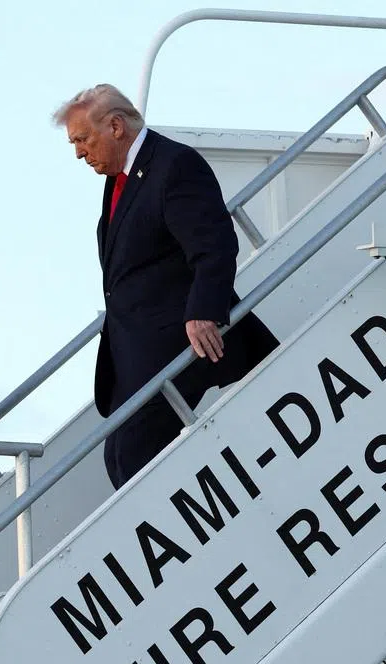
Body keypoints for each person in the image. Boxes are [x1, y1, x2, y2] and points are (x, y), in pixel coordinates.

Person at [53, 84, 279, 490]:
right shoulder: (121, 178)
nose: (78, 153)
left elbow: (214, 244)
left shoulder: (174, 165)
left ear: (116, 127)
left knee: (134, 455)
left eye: (82, 140)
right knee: (120, 457)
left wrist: (204, 310)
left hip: (177, 342)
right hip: (136, 352)